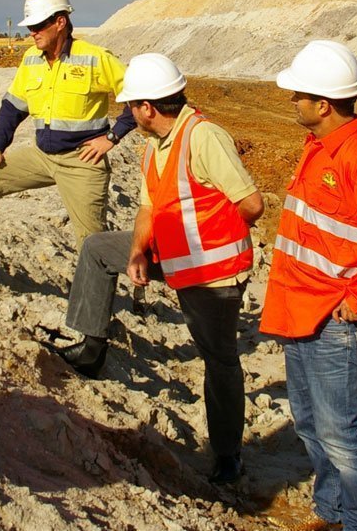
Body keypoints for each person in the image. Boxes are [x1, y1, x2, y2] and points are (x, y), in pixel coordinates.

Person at [57, 53, 264, 485]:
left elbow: (251, 204)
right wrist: (136, 252)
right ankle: (90, 350)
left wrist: (206, 239)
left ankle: (228, 457)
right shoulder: (155, 146)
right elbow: (150, 206)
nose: (128, 113)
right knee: (97, 249)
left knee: (219, 361)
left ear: (147, 107)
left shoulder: (204, 137)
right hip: (171, 256)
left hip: (212, 274)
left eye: (131, 105)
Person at [259, 40, 357, 531]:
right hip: (300, 312)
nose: (292, 101)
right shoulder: (321, 149)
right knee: (310, 424)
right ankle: (330, 511)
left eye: (298, 94)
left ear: (323, 104)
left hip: (331, 319)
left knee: (343, 435)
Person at [0, 0, 136, 282]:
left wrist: (112, 137)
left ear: (60, 22)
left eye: (38, 24)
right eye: (30, 26)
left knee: (93, 244)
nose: (32, 31)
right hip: (42, 155)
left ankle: (97, 318)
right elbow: (11, 109)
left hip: (83, 162)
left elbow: (139, 97)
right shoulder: (30, 59)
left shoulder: (94, 58)